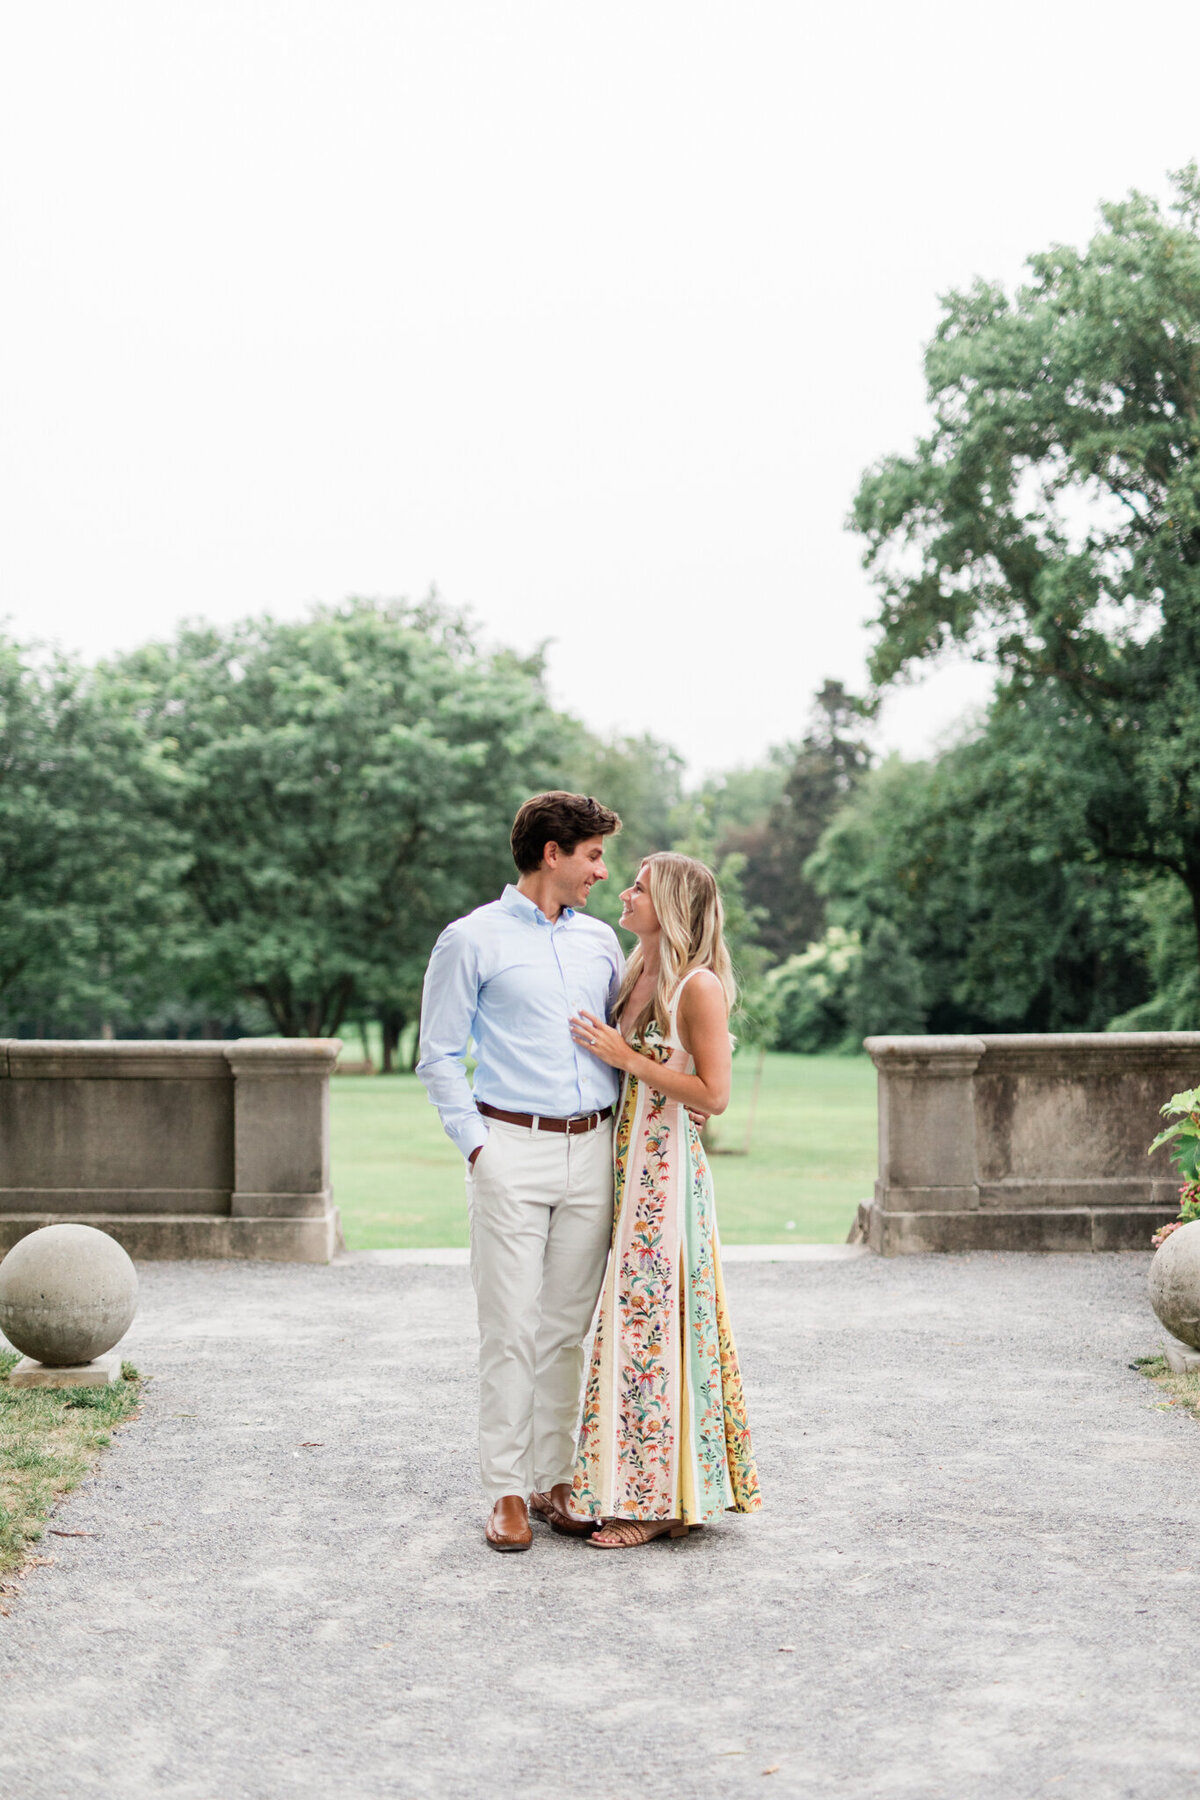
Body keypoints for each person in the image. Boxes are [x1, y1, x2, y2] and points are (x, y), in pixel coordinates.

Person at [416, 791, 623, 1552]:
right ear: (552, 853)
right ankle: (503, 1489)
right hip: (509, 1147)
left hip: (592, 1150)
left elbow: (626, 1039)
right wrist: (479, 1148)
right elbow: (438, 1054)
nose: (602, 871)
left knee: (565, 1332)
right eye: (593, 855)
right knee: (509, 1327)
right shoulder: (470, 938)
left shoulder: (602, 941)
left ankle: (553, 1480)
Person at [567, 852, 762, 1546]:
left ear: (672, 907)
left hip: (667, 1175)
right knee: (634, 1325)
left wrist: (629, 1059)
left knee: (655, 1325)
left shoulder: (697, 986)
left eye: (640, 889)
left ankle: (652, 1506)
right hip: (624, 1165)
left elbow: (716, 1095)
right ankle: (651, 1490)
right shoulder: (631, 971)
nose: (624, 893)